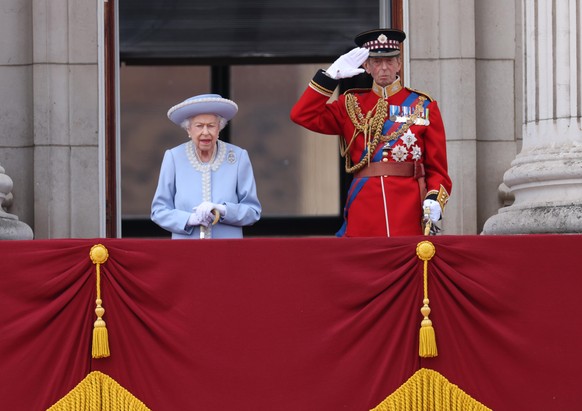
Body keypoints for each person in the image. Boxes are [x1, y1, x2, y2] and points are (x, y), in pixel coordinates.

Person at [290, 28, 452, 237]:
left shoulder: (423, 106)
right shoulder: (350, 104)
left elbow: (438, 168)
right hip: (365, 207)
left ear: (399, 65)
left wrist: (433, 198)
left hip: (409, 208)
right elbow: (301, 115)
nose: (384, 68)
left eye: (390, 61)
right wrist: (329, 78)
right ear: (366, 66)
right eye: (376, 62)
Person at [151, 94, 261, 239]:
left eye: (211, 126)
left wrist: (222, 210)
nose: (205, 132)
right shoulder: (174, 157)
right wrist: (189, 219)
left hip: (227, 250)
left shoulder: (238, 157)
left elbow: (253, 212)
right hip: (185, 251)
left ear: (219, 129)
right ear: (188, 130)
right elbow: (158, 211)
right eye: (199, 126)